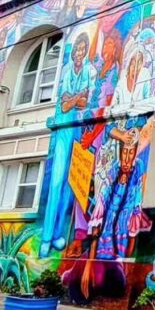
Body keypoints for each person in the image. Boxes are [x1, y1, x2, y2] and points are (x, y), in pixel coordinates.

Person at [40, 33, 96, 257]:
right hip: (63, 128)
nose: (80, 53)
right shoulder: (65, 71)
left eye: (84, 49)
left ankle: (57, 235)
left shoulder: (89, 70)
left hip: (79, 128)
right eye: (78, 49)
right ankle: (46, 237)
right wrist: (76, 98)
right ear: (73, 51)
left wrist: (75, 99)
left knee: (71, 183)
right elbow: (64, 107)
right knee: (56, 181)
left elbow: (86, 101)